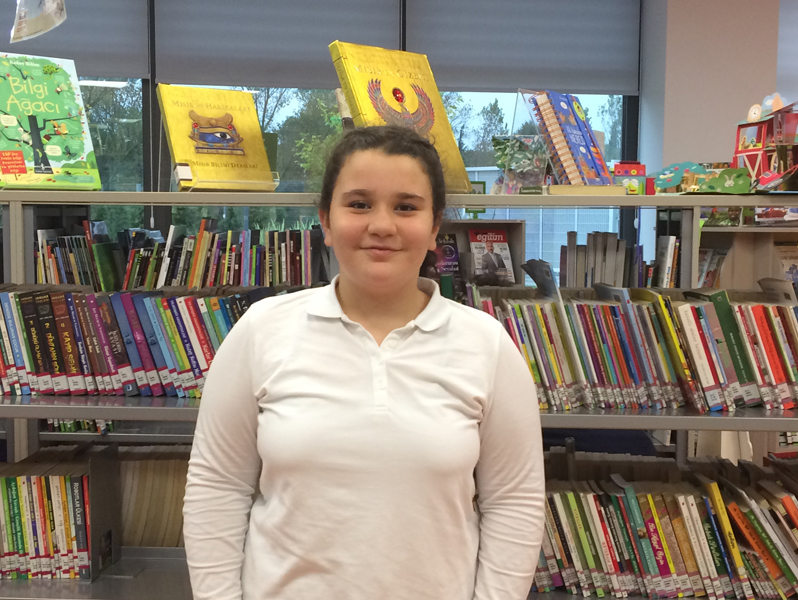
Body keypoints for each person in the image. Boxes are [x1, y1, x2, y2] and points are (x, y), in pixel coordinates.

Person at [183, 125, 545, 600]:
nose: (382, 225)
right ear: (326, 221)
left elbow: (514, 501)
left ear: (434, 226)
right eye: (358, 204)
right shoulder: (261, 330)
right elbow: (217, 487)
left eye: (406, 207)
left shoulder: (487, 345)